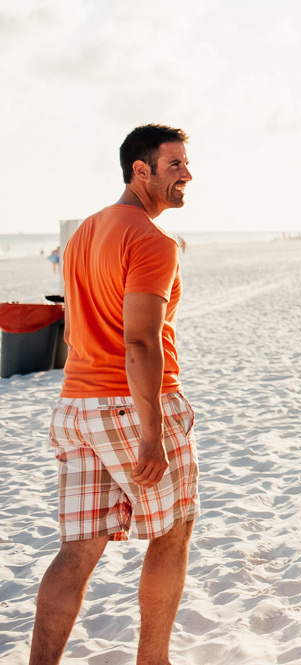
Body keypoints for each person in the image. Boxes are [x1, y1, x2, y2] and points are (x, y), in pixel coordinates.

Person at [29, 124, 198, 665]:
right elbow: (142, 341)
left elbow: (79, 325)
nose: (187, 176)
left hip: (76, 404)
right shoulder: (152, 239)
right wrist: (152, 434)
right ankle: (154, 661)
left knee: (78, 549)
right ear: (140, 171)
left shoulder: (84, 233)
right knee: (172, 529)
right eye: (175, 166)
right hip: (130, 403)